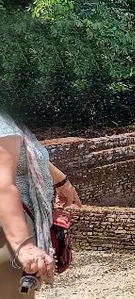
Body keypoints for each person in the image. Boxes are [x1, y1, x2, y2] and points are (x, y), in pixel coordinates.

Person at [0, 113, 81, 297]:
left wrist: (61, 180)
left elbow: (24, 154)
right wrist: (24, 245)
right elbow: (2, 184)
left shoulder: (10, 122)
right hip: (9, 230)